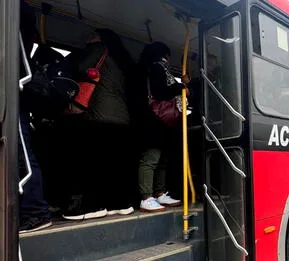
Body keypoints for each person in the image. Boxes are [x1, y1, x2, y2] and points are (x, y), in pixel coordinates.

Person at [60, 28, 137, 220]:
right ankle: (120, 204)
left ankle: (90, 207)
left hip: (98, 117)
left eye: (92, 35)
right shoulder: (122, 61)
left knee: (91, 164)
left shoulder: (98, 49)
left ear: (100, 38)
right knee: (113, 165)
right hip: (122, 119)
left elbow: (78, 67)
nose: (89, 37)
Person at [137, 42, 185, 212]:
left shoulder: (156, 68)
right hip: (155, 121)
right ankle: (146, 196)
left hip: (163, 123)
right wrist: (178, 87)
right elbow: (159, 92)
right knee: (151, 158)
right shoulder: (156, 68)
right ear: (165, 55)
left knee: (162, 160)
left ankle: (159, 193)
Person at [17, 1, 52, 233]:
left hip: (13, 91)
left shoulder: (17, 13)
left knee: (22, 155)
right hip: (16, 89)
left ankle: (35, 212)